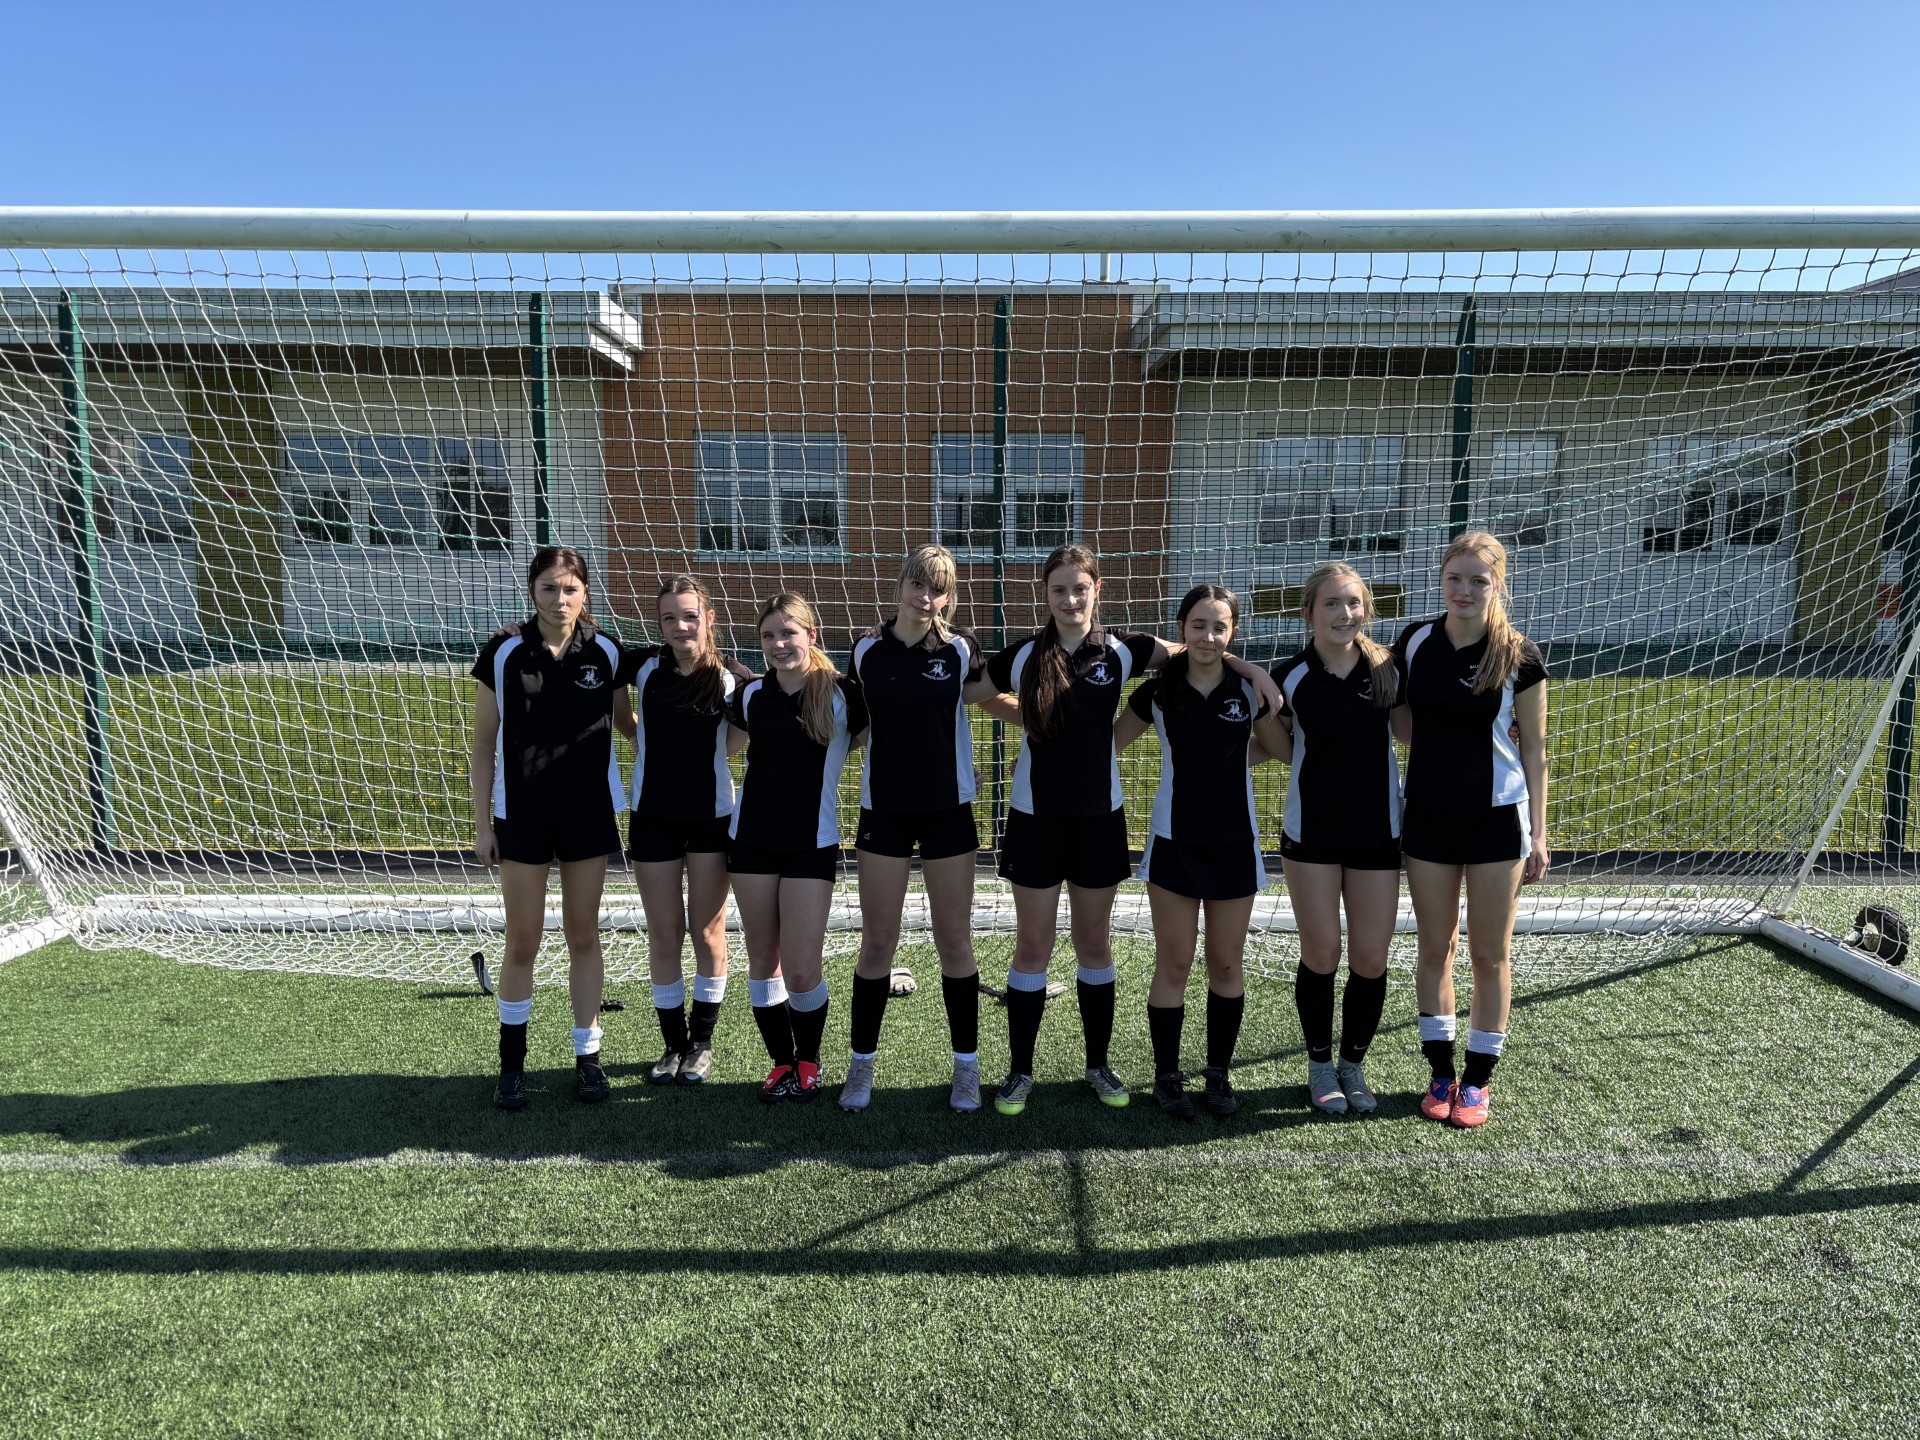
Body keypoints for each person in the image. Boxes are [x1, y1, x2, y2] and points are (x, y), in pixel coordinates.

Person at [983, 544, 1282, 1116]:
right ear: (1043, 595)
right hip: (1034, 820)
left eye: (1081, 588)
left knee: (1094, 942)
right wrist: (1035, 716)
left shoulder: (1125, 650)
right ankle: (1020, 1072)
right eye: (1059, 590)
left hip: (1100, 820)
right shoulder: (1024, 655)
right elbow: (974, 691)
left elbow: (1197, 650)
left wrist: (1252, 668)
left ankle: (1098, 1066)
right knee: (1033, 946)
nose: (1071, 599)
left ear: (1099, 591)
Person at [840, 544, 1007, 1114]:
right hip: (884, 810)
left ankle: (967, 1067)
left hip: (948, 812)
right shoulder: (866, 649)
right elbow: (852, 722)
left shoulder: (960, 650)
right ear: (900, 585)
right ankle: (861, 1065)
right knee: (878, 940)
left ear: (948, 597)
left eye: (937, 589)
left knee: (954, 939)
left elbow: (990, 695)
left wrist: (1046, 719)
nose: (925, 597)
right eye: (918, 583)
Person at [1113, 584, 1287, 1120]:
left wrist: (1257, 681)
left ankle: (1217, 1076)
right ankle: (1167, 1078)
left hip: (1236, 845)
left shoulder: (1246, 690)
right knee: (1175, 962)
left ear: (1232, 632)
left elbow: (1280, 750)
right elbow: (1107, 742)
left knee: (1226, 963)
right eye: (1197, 625)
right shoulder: (1158, 692)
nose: (1208, 635)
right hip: (1173, 844)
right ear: (1181, 628)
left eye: (1220, 626)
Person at [1394, 531, 1550, 1129]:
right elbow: (1402, 723)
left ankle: (1478, 1082)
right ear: (1441, 579)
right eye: (1454, 578)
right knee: (1436, 950)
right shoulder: (1414, 643)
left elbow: (1535, 750)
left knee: (1490, 955)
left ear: (1497, 585)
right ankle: (1440, 1074)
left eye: (1478, 581)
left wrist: (1539, 833)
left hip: (1496, 821)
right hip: (1428, 818)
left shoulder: (1519, 655)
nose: (1464, 590)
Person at [470, 545, 633, 1111]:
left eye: (569, 589)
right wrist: (482, 825)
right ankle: (511, 1066)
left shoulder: (609, 652)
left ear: (585, 593)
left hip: (589, 813)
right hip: (522, 817)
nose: (559, 599)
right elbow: (484, 744)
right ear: (531, 592)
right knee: (524, 940)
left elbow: (632, 722)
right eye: (548, 588)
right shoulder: (504, 651)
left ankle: (588, 1058)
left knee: (583, 936)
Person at [1268, 562, 1406, 1117]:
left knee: (1371, 956)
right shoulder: (1288, 676)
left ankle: (1353, 1064)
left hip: (1377, 830)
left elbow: (1425, 729)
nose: (1344, 614)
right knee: (1323, 951)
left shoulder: (1389, 672)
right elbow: (1273, 742)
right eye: (1331, 603)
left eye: (1353, 603)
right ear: (1309, 613)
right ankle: (1320, 1065)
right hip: (1313, 833)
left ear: (1366, 610)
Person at [728, 592, 869, 1104]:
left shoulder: (843, 695)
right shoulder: (749, 697)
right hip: (751, 845)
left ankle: (809, 1062)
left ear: (811, 636)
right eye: (768, 635)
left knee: (803, 966)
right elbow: (716, 748)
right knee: (764, 961)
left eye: (789, 633)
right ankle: (781, 1064)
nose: (779, 644)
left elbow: (877, 734)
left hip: (812, 845)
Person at [624, 575, 752, 1087]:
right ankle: (672, 1045)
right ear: (659, 624)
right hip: (652, 815)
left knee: (706, 930)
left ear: (709, 619)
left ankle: (701, 1043)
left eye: (690, 616)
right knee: (664, 931)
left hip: (710, 818)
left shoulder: (732, 678)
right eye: (669, 618)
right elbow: (583, 646)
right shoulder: (644, 667)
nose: (680, 626)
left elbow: (744, 731)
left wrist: (708, 761)